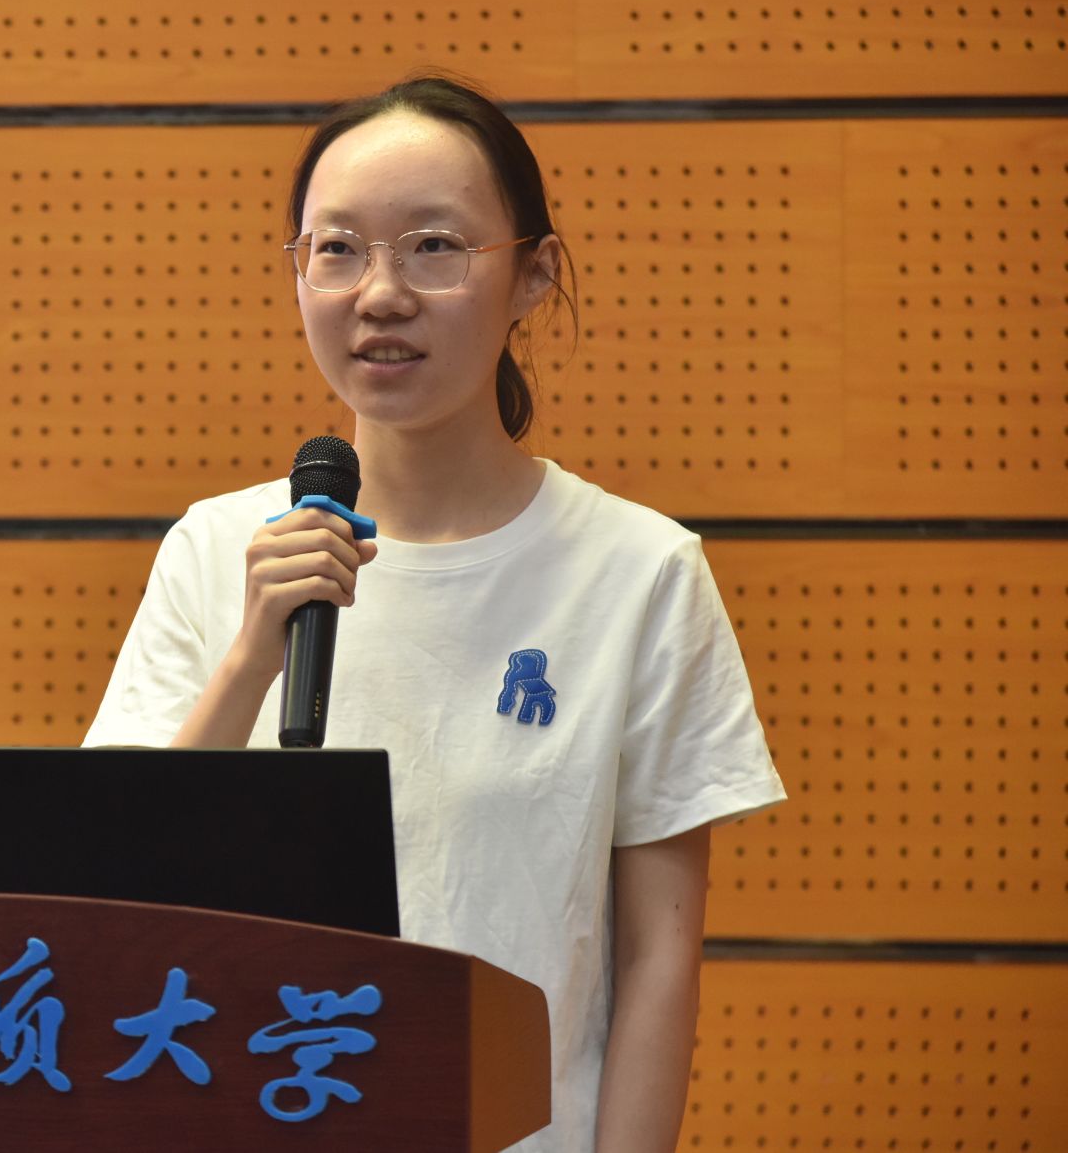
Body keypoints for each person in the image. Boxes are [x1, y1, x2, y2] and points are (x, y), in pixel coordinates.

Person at [81, 74, 787, 1153]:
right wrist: (248, 660)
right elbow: (116, 897)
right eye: (336, 249)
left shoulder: (638, 572)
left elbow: (657, 958)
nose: (379, 294)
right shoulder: (216, 550)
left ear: (533, 275)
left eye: (433, 248)